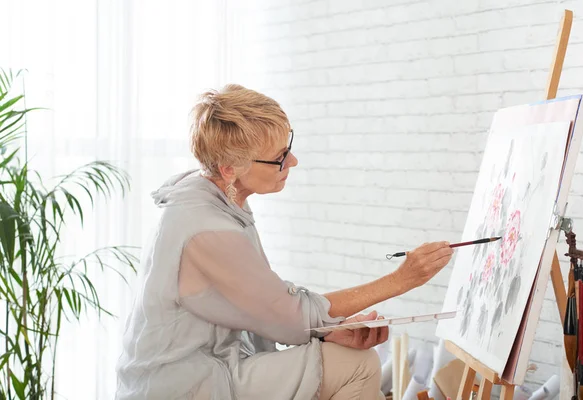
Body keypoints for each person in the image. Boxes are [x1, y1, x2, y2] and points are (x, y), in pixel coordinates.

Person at [115, 84, 454, 400]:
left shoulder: (215, 199)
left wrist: (324, 330)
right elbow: (289, 312)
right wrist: (402, 280)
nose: (291, 162)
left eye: (288, 148)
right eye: (279, 156)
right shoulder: (207, 228)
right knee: (359, 364)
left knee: (347, 356)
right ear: (230, 167)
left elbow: (263, 304)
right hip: (185, 383)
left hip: (210, 364)